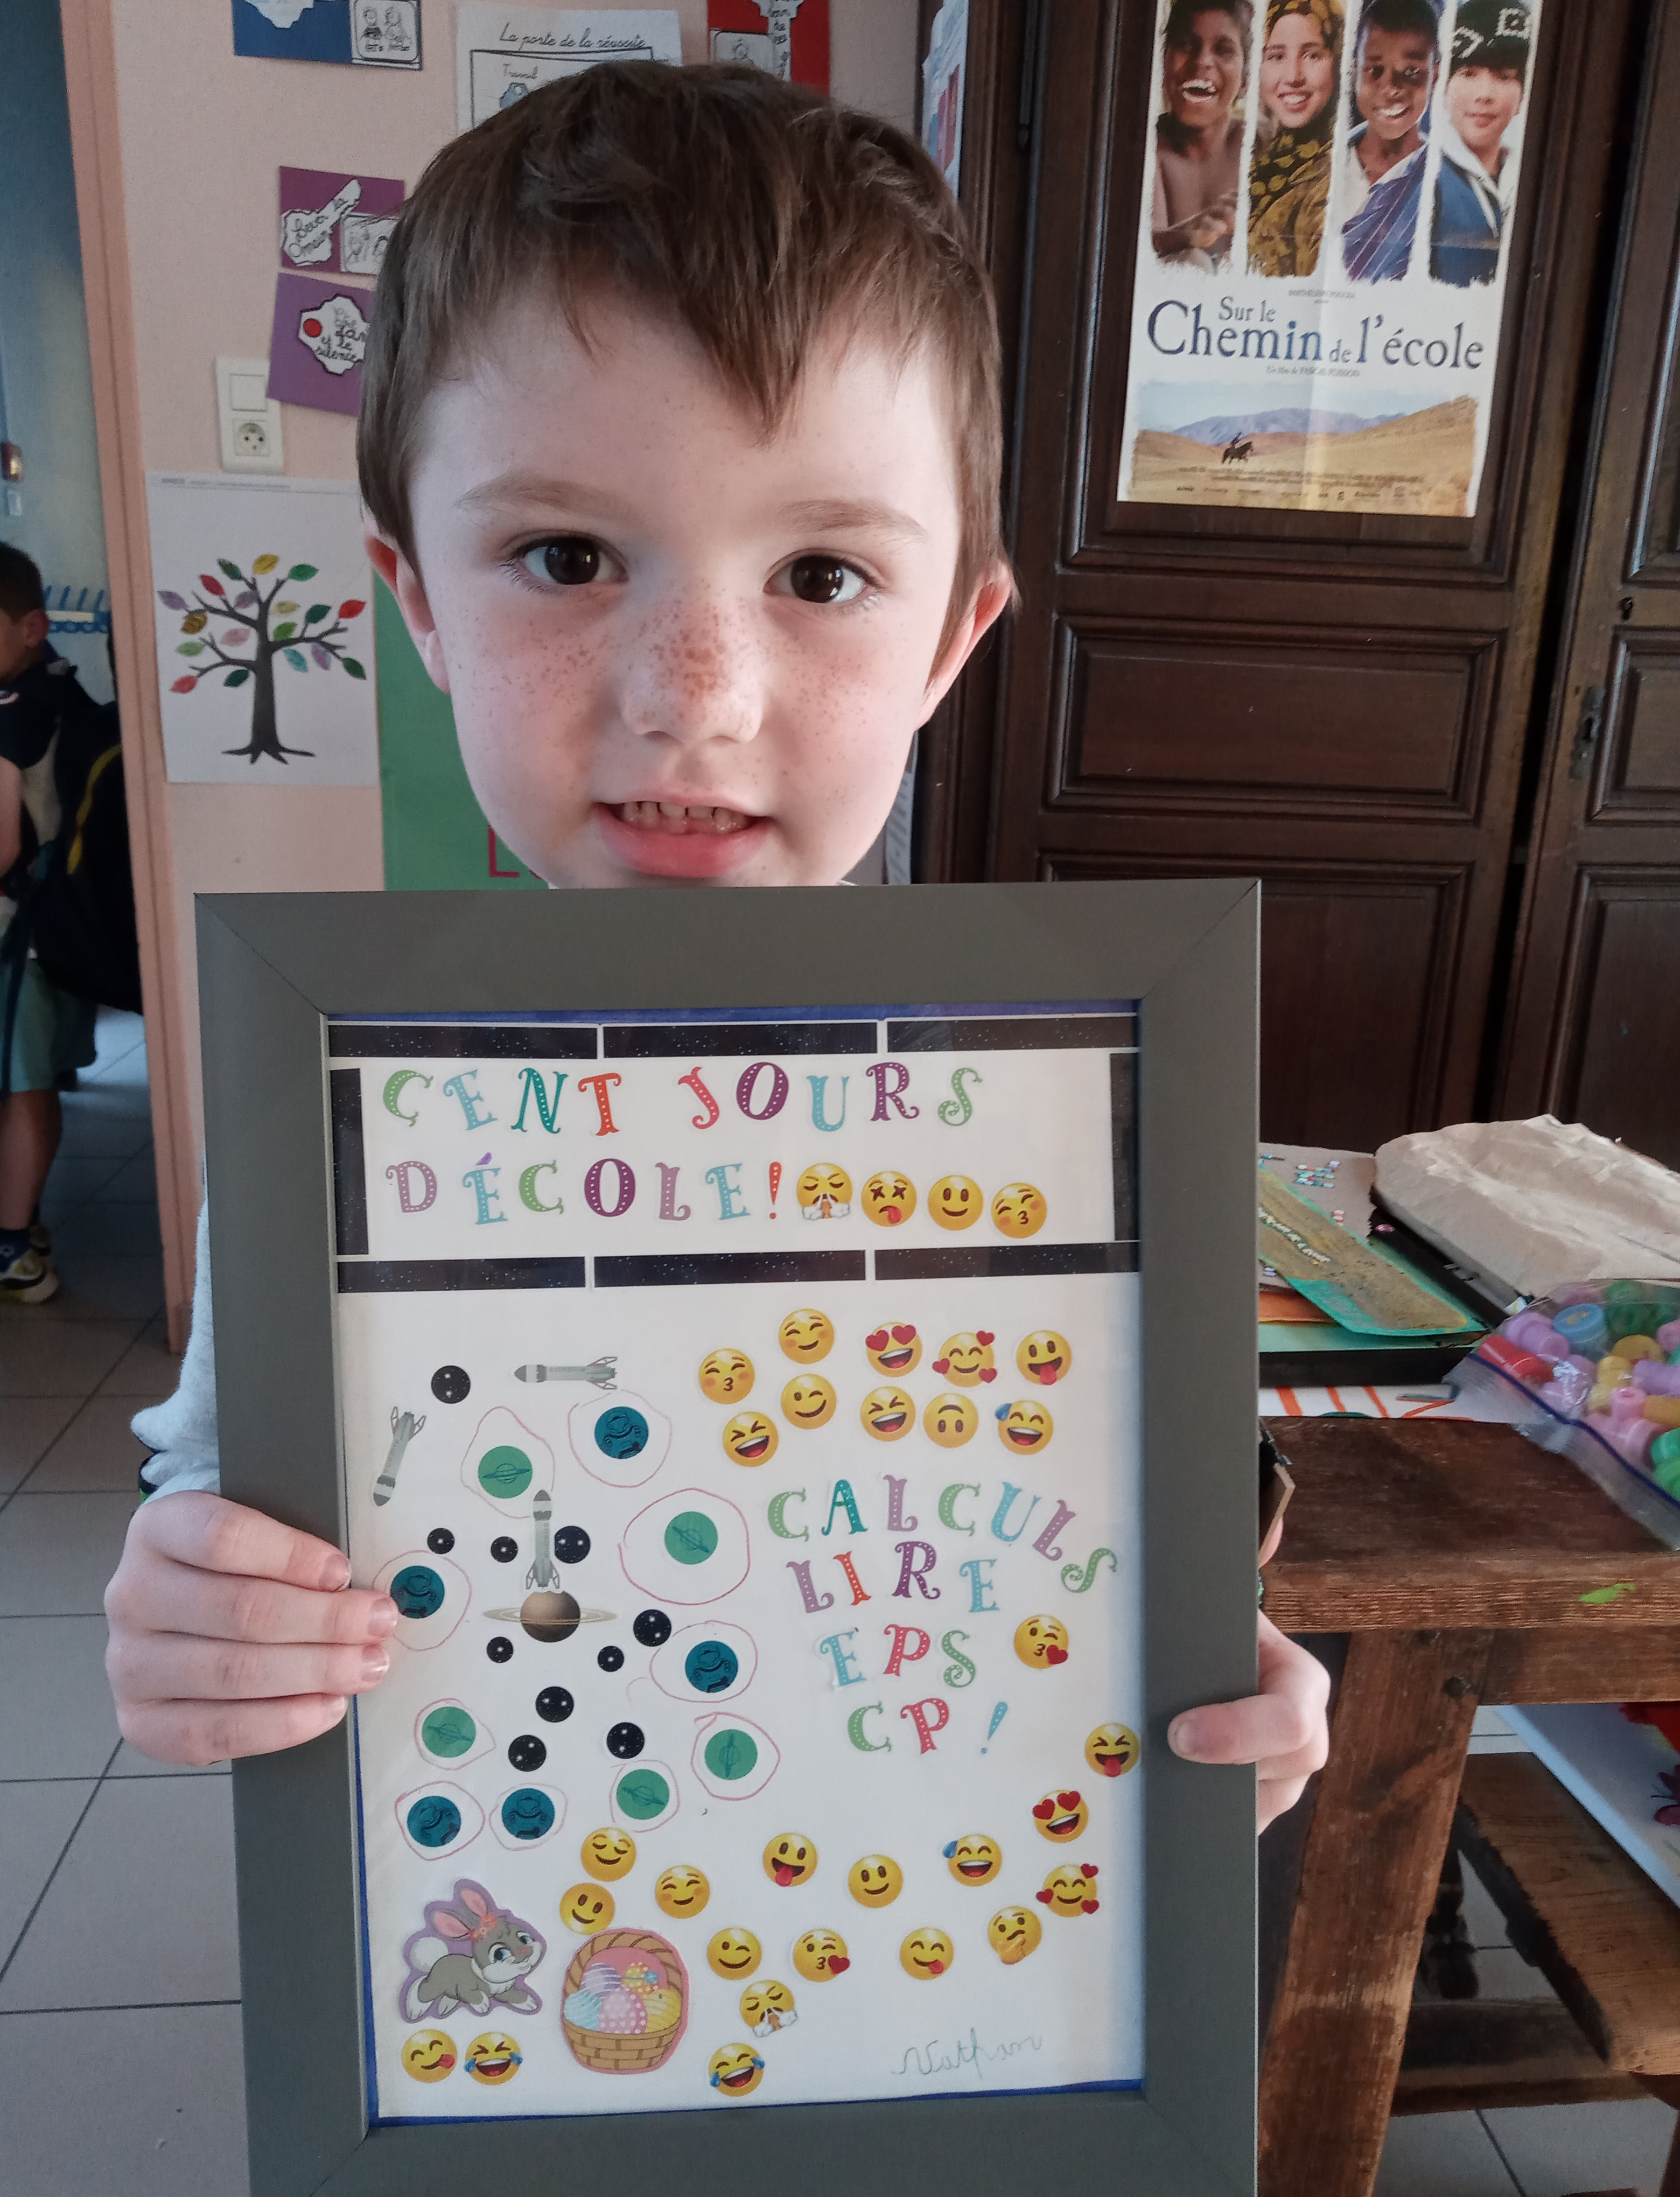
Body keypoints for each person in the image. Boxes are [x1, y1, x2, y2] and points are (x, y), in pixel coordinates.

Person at [106, 53, 1326, 1954]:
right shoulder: (337, 1104)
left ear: (951, 639)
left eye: (822, 572)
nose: (694, 695)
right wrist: (196, 1599)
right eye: (565, 558)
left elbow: (1134, 1526)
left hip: (914, 1969)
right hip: (509, 1967)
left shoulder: (1069, 1113)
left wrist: (1211, 1691)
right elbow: (227, 1479)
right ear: (417, 600)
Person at [0, 542, 103, 1302]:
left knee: (21, 1089)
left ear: (31, 627)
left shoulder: (13, 713)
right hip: (61, 926)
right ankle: (25, 1222)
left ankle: (12, 1249)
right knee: (35, 1087)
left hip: (18, 935)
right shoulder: (64, 688)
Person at [1430, 0, 1530, 285]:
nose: (1485, 94)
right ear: (1442, 85)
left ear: (1523, 93)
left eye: (1504, 76)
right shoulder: (1423, 178)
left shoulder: (1528, 177)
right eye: (1468, 73)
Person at [1341, 0, 1439, 281]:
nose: (1392, 89)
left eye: (1411, 72)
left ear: (1435, 77)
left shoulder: (1444, 182)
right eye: (1375, 71)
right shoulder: (1320, 167)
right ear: (1354, 73)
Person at [1152, 0, 1254, 269]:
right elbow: (1141, 245)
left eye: (1223, 50)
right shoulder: (1149, 146)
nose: (1202, 62)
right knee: (1191, 260)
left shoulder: (1259, 149)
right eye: (1186, 46)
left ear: (1246, 80)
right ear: (1163, 62)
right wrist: (1189, 234)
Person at [1247, 0, 1344, 278]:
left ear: (1338, 61)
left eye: (1312, 55)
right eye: (1277, 56)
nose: (1293, 76)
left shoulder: (1335, 173)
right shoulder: (1267, 156)